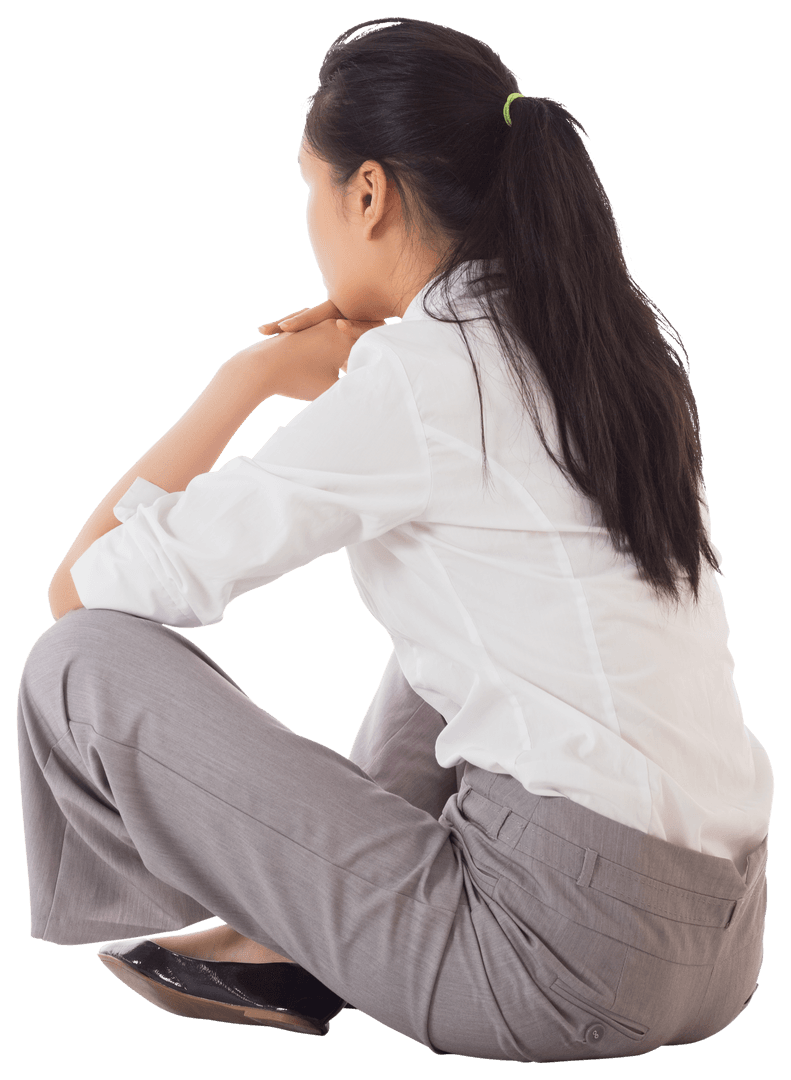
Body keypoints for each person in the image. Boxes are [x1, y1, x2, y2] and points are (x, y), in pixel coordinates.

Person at [16, 16, 773, 1064]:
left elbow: (83, 595)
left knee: (75, 664)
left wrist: (246, 380)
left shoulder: (425, 375)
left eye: (308, 187)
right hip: (721, 949)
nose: (310, 218)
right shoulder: (618, 355)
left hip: (553, 965)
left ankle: (277, 928)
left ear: (365, 193)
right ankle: (281, 945)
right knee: (457, 621)